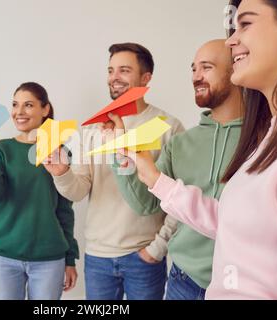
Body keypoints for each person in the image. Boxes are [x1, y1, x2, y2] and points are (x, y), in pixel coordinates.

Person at [116, 0, 277, 299]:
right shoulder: (269, 140)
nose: (233, 40)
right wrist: (151, 176)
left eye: (245, 24)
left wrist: (155, 248)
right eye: (193, 68)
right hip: (181, 278)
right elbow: (233, 223)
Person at [43, 43, 184, 300]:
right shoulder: (93, 129)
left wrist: (158, 247)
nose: (114, 77)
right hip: (98, 257)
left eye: (124, 70)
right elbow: (78, 191)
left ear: (146, 78)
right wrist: (62, 173)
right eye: (110, 70)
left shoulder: (168, 127)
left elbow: (179, 198)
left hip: (144, 256)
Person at [109, 39, 243, 300]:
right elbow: (144, 204)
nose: (196, 77)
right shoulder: (181, 143)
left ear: (235, 69)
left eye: (206, 67)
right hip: (182, 280)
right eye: (193, 69)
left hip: (238, 282)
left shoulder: (264, 139)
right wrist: (122, 151)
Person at [0, 82, 79, 300]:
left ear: (45, 109)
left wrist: (70, 259)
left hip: (49, 259)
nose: (19, 112)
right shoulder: (1, 148)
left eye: (28, 105)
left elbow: (65, 210)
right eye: (15, 105)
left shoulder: (59, 152)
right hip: (5, 258)